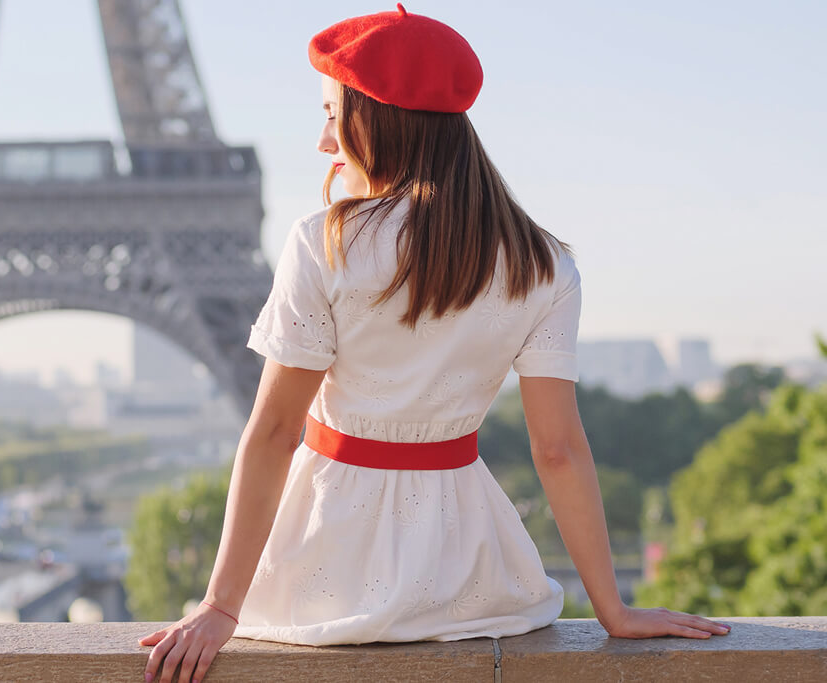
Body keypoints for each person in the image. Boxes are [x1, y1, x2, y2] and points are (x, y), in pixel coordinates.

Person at [138, 5, 731, 682]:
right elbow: (558, 450)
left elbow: (275, 432)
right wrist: (613, 609)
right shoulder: (545, 265)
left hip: (325, 563)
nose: (324, 143)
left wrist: (220, 603)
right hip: (469, 572)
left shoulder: (324, 242)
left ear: (376, 118)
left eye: (333, 114)